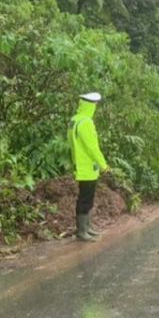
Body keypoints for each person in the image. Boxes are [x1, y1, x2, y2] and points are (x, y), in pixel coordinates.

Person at [68, 92, 108, 241]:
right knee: (86, 199)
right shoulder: (85, 122)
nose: (96, 108)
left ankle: (87, 228)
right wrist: (104, 165)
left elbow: (73, 145)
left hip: (79, 165)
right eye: (95, 105)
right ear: (90, 105)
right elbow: (92, 148)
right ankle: (82, 231)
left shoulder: (74, 121)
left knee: (85, 198)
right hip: (88, 167)